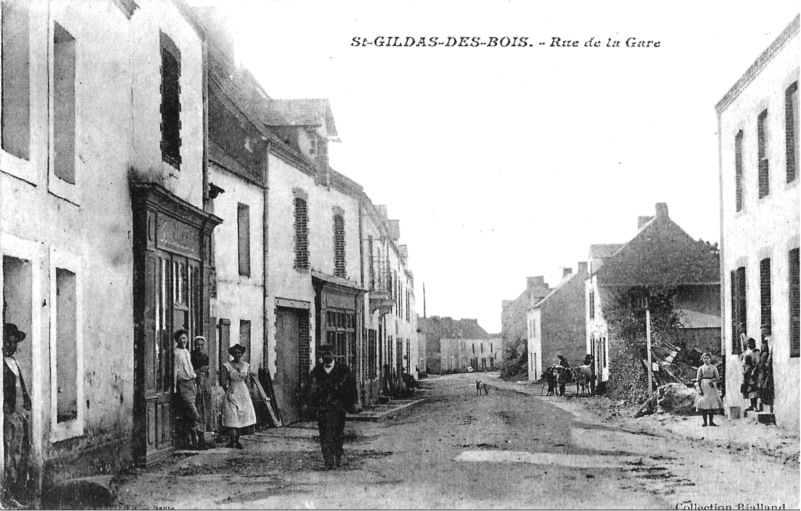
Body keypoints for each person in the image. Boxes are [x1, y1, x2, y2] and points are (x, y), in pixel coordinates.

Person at [305, 344, 359, 470]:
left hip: (338, 408)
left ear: (334, 354)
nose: (326, 357)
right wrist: (309, 404)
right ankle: (328, 460)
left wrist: (352, 403)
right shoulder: (317, 370)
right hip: (323, 409)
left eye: (328, 353)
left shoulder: (343, 369)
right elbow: (310, 387)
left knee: (338, 433)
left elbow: (351, 387)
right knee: (324, 434)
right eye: (323, 354)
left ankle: (338, 455)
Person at [3, 323, 31, 500]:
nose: (12, 347)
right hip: (9, 416)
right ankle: (12, 489)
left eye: (15, 343)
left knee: (23, 449)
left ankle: (21, 487)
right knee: (12, 452)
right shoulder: (2, 364)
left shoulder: (14, 362)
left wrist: (27, 398)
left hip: (19, 415)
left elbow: (20, 383)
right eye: (9, 342)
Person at [221, 344, 256, 449]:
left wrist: (249, 391)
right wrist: (228, 391)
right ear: (232, 354)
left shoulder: (246, 365)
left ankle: (238, 440)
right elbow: (223, 381)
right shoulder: (227, 366)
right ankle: (233, 440)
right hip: (232, 391)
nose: (237, 355)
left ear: (242, 353)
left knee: (242, 416)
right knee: (232, 415)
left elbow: (248, 381)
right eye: (235, 353)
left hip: (243, 393)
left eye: (239, 353)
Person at [173, 329, 201, 449]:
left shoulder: (187, 352)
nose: (182, 340)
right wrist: (175, 386)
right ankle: (197, 436)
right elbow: (175, 369)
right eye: (179, 338)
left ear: (188, 339)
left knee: (189, 415)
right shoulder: (175, 352)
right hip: (182, 384)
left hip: (191, 383)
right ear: (176, 340)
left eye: (184, 338)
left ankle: (194, 440)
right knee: (193, 412)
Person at [191, 336, 213, 440]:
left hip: (204, 383)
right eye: (198, 345)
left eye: (202, 345)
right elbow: (190, 372)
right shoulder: (191, 355)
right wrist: (199, 370)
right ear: (194, 345)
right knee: (197, 408)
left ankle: (204, 435)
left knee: (206, 408)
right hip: (195, 383)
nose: (200, 347)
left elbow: (207, 373)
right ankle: (197, 436)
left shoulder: (205, 356)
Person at [694, 352, 724, 427]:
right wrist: (699, 389)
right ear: (702, 359)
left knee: (711, 404)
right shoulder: (701, 368)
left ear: (710, 359)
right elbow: (698, 379)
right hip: (703, 386)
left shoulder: (714, 367)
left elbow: (718, 378)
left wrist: (712, 381)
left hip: (711, 386)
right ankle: (704, 422)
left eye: (707, 358)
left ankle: (711, 421)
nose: (706, 360)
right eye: (704, 358)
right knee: (704, 404)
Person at [757, 328, 774, 413]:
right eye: (762, 331)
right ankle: (763, 401)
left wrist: (768, 361)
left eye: (765, 330)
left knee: (767, 382)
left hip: (766, 365)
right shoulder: (765, 340)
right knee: (761, 383)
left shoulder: (770, 339)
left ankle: (769, 402)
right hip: (762, 366)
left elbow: (770, 352)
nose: (763, 332)